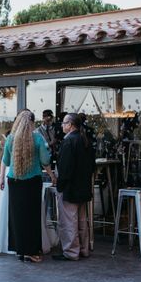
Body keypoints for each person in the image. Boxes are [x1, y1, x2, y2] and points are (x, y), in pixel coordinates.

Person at [0, 109, 54, 263]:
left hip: (14, 182)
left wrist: (1, 178)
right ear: (32, 123)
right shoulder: (38, 138)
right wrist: (53, 175)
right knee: (32, 216)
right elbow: (45, 160)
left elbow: (5, 160)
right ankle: (31, 251)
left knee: (17, 216)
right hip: (32, 182)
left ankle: (20, 250)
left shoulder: (11, 139)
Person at [53, 112, 95, 261]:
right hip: (83, 187)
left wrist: (60, 185)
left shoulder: (69, 141)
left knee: (69, 221)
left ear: (70, 125)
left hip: (70, 188)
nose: (62, 125)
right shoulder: (85, 140)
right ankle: (83, 249)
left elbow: (65, 169)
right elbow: (92, 165)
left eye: (64, 123)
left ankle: (71, 252)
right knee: (82, 220)